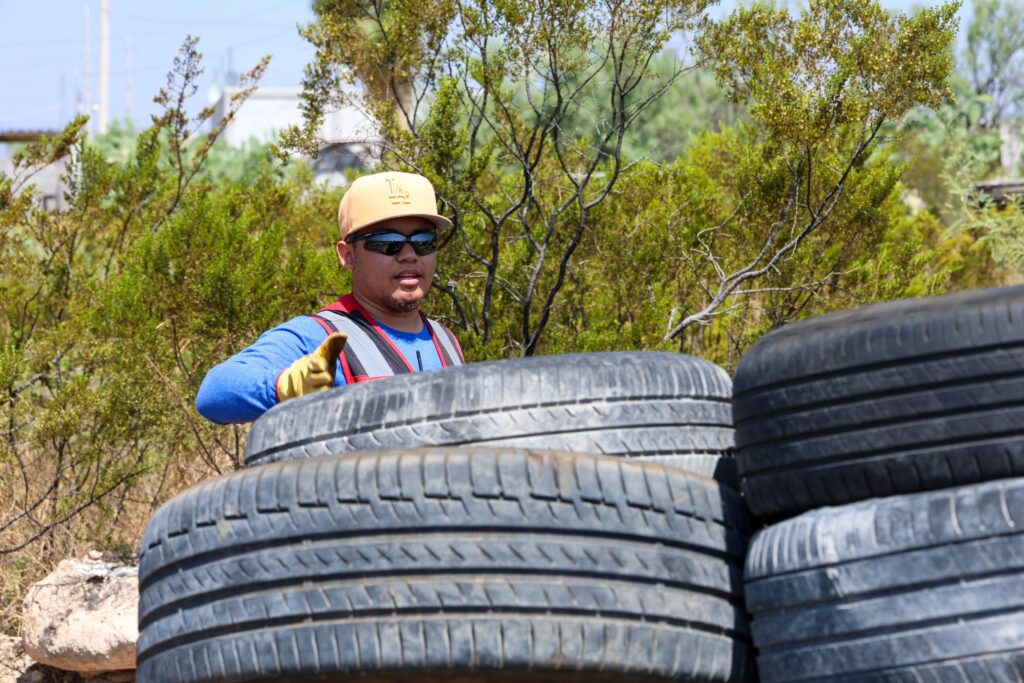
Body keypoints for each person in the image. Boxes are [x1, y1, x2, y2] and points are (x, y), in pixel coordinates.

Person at [195, 171, 464, 424]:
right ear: (347, 255)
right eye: (387, 242)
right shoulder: (319, 337)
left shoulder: (446, 340)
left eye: (423, 241)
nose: (409, 254)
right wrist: (285, 387)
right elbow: (214, 392)